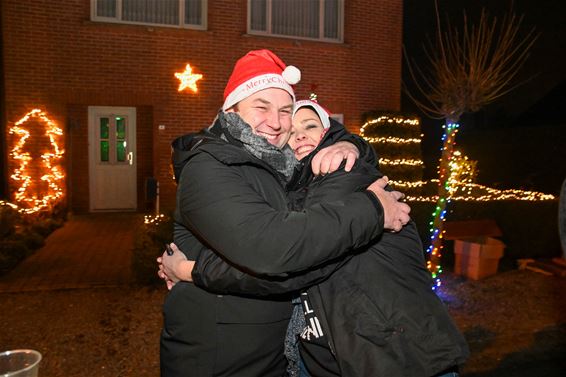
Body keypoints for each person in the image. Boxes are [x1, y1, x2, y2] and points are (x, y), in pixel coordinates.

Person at [167, 100, 469, 376]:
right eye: (291, 131)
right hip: (334, 360)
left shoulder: (345, 176)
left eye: (309, 126)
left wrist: (190, 270)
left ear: (328, 132)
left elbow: (286, 260)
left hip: (396, 357)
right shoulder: (292, 193)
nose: (298, 135)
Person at [158, 49, 410, 377]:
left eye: (285, 110)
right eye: (260, 107)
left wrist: (350, 145)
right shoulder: (209, 166)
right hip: (219, 359)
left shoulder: (279, 167)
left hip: (274, 356)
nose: (276, 122)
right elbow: (275, 251)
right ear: (231, 110)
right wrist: (373, 210)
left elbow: (303, 243)